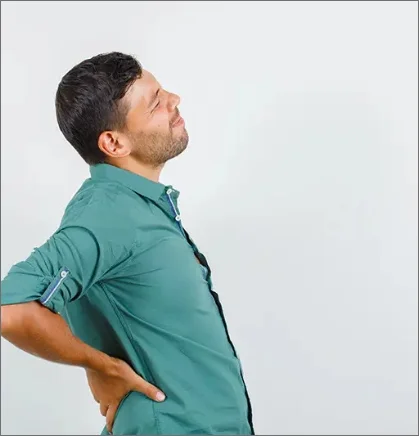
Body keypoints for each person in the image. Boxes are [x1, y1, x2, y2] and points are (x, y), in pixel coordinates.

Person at [0, 51, 254, 435]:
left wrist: (95, 361)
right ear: (114, 143)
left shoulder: (137, 206)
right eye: (155, 103)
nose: (174, 100)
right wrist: (101, 366)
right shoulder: (108, 214)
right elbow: (11, 308)